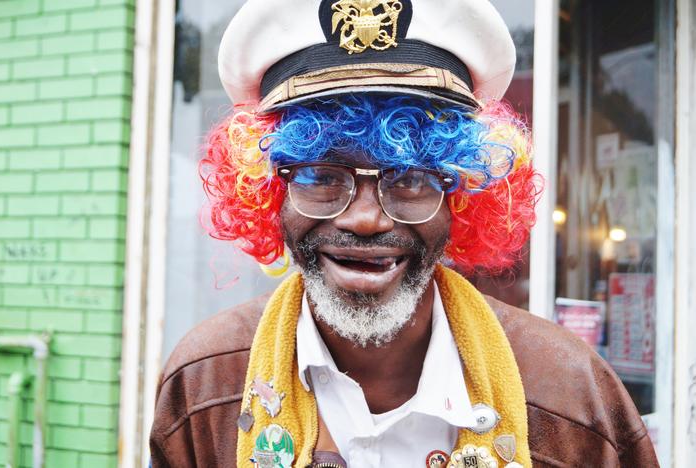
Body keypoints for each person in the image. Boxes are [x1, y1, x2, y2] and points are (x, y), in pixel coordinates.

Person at [150, 0, 659, 466]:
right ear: (271, 193)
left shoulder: (572, 397)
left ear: (461, 197)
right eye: (322, 176)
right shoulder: (203, 387)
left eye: (411, 178)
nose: (367, 220)